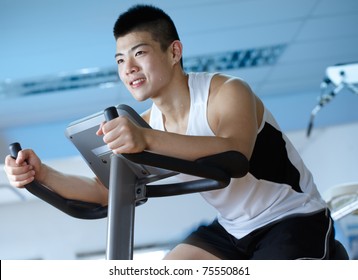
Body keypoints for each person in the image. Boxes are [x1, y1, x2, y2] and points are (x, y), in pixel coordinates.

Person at [4, 4, 335, 260]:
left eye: (139, 53)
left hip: (293, 217)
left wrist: (146, 139)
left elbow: (236, 153)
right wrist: (41, 174)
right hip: (233, 230)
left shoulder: (226, 92)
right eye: (120, 60)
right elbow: (107, 192)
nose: (128, 68)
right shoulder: (147, 123)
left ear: (174, 52)